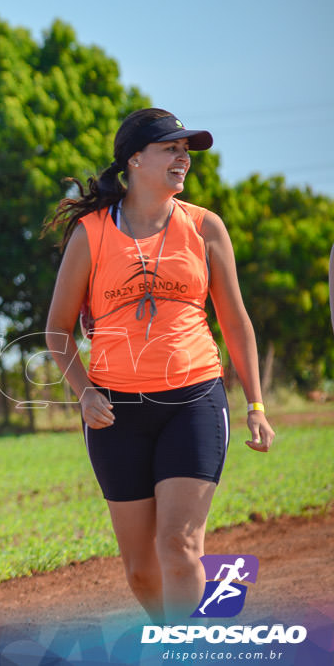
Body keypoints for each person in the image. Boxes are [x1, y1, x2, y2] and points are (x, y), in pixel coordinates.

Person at [43, 108, 276, 623]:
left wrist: (256, 404)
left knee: (179, 547)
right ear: (135, 159)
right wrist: (83, 392)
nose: (182, 157)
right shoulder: (92, 233)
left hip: (192, 400)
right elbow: (57, 329)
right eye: (171, 148)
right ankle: (185, 628)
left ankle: (188, 648)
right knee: (141, 571)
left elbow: (235, 323)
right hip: (114, 412)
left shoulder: (205, 227)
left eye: (185, 149)